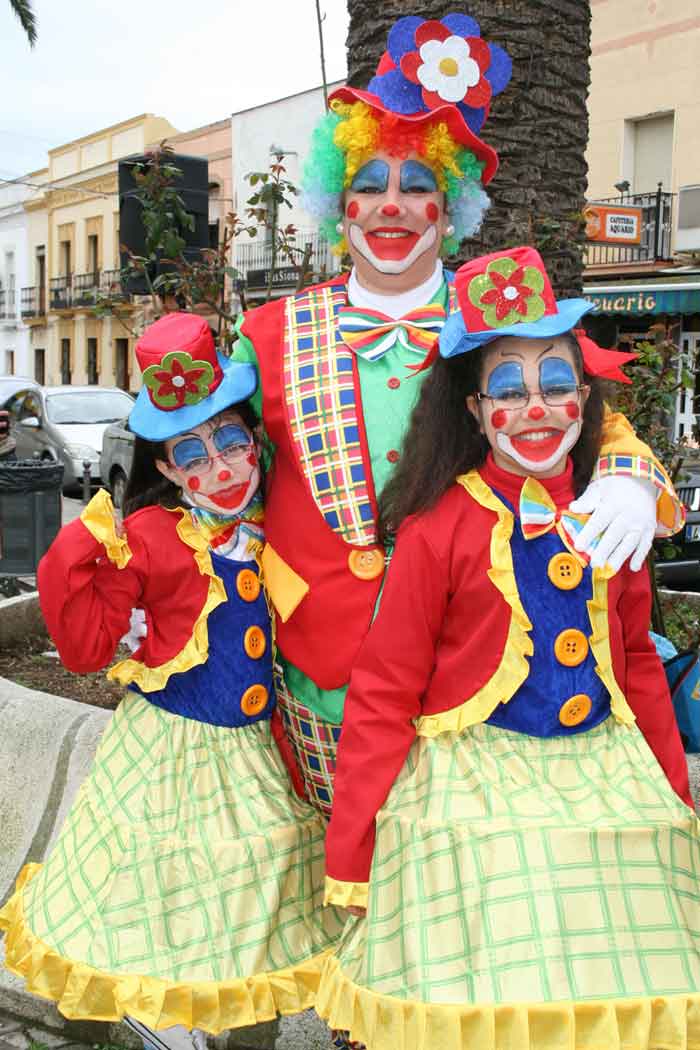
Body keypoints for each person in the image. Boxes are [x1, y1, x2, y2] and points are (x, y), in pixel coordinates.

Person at [232, 11, 684, 818]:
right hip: (319, 666)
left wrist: (627, 476)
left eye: (418, 186)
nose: (393, 206)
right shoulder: (267, 333)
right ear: (342, 206)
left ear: (452, 207)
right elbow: (208, 456)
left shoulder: (499, 316)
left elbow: (589, 413)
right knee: (341, 883)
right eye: (369, 187)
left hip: (480, 670)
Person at [318, 247, 699, 1049]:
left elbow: (635, 667)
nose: (536, 407)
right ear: (474, 408)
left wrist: (674, 800)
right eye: (509, 388)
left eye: (556, 384)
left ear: (584, 397)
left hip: (604, 775)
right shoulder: (436, 531)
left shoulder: (614, 512)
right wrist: (351, 849)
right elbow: (385, 691)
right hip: (474, 788)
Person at [0, 313, 343, 1049]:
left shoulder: (278, 517)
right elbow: (90, 645)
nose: (220, 465)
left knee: (258, 886)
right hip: (169, 750)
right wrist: (74, 557)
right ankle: (142, 1015)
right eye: (193, 451)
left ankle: (243, 1029)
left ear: (254, 440)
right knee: (151, 889)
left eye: (230, 439)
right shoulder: (152, 537)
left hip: (257, 747)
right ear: (166, 470)